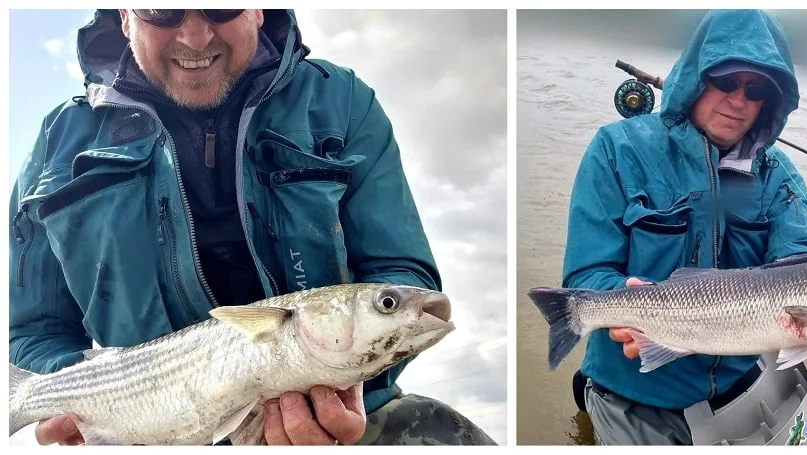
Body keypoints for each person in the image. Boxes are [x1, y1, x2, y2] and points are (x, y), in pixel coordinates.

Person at [9, 9, 493, 446]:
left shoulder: (342, 102)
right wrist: (77, 393)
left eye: (223, 5)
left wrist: (341, 386)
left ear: (260, 8)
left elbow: (403, 272)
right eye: (162, 9)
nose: (195, 36)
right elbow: (37, 331)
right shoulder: (57, 143)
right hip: (142, 433)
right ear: (125, 14)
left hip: (348, 414)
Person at [561, 9, 807, 445]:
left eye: (756, 88)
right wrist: (624, 307)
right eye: (725, 80)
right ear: (695, 77)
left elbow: (804, 264)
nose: (738, 100)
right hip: (634, 392)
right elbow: (586, 273)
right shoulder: (616, 148)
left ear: (769, 102)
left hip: (738, 385)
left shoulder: (779, 177)